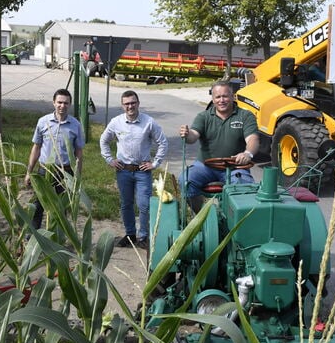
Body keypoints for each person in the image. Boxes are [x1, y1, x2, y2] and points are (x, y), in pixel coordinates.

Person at [100, 90, 168, 249]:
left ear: (138, 103)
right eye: (127, 104)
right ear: (122, 106)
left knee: (144, 205)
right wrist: (109, 159)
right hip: (123, 170)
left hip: (142, 171)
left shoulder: (149, 122)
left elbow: (163, 142)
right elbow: (103, 141)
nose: (130, 106)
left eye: (133, 103)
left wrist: (155, 163)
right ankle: (130, 234)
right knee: (126, 203)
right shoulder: (116, 122)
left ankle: (143, 236)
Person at [179, 80, 259, 210]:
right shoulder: (204, 117)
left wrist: (247, 153)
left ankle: (234, 221)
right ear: (213, 99)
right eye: (218, 97)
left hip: (235, 167)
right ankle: (201, 216)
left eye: (225, 96)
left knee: (244, 187)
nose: (221, 100)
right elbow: (193, 136)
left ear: (233, 96)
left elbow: (253, 140)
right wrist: (187, 134)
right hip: (205, 166)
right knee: (186, 180)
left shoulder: (245, 116)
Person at [25, 88, 85, 231]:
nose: (62, 106)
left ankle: (58, 236)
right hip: (45, 170)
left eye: (66, 103)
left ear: (70, 104)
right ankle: (33, 235)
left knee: (61, 206)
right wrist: (29, 172)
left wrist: (77, 176)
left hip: (65, 172)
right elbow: (36, 147)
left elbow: (79, 152)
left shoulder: (75, 125)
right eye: (59, 102)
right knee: (38, 204)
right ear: (53, 103)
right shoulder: (43, 122)